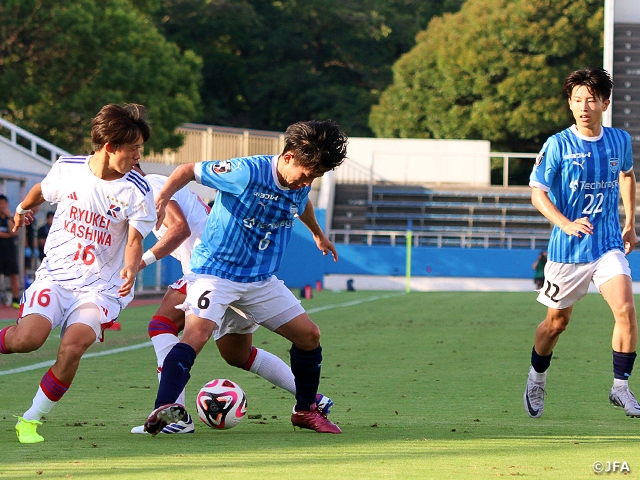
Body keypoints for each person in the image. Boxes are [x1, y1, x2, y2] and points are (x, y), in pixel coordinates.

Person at [142, 119, 347, 435]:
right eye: (308, 173)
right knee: (194, 336)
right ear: (289, 156)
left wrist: (317, 234)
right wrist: (160, 199)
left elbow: (301, 201)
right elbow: (186, 170)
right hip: (215, 274)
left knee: (307, 337)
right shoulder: (246, 171)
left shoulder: (300, 183)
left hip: (260, 280)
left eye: (317, 175)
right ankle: (167, 408)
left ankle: (305, 410)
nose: (309, 180)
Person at [1, 104, 156, 443]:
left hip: (99, 289)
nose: (138, 157)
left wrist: (131, 265)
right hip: (55, 279)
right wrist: (24, 208)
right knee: (26, 340)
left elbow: (133, 239)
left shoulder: (138, 190)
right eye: (133, 150)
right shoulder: (68, 169)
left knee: (73, 346)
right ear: (110, 146)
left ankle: (30, 419)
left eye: (140, 150)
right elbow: (42, 191)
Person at [524, 67, 640, 419]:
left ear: (605, 102)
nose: (583, 106)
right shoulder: (557, 145)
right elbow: (537, 194)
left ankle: (620, 387)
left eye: (590, 99)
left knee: (626, 311)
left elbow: (627, 175)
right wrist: (565, 223)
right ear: (570, 104)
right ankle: (536, 377)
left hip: (607, 244)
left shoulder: (619, 140)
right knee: (556, 324)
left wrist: (630, 223)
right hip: (567, 251)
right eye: (576, 100)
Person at [0, 195, 21, 308]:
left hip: (9, 251)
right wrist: (7, 235)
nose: (2, 206)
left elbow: (14, 232)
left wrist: (8, 218)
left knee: (14, 276)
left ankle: (15, 300)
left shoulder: (11, 218)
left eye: (4, 203)